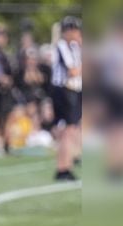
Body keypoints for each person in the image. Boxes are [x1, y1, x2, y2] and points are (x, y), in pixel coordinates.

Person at [51, 16, 82, 181]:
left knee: (72, 130)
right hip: (64, 90)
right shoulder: (62, 46)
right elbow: (72, 71)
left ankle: (67, 164)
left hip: (75, 90)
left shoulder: (75, 47)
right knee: (67, 131)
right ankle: (63, 167)